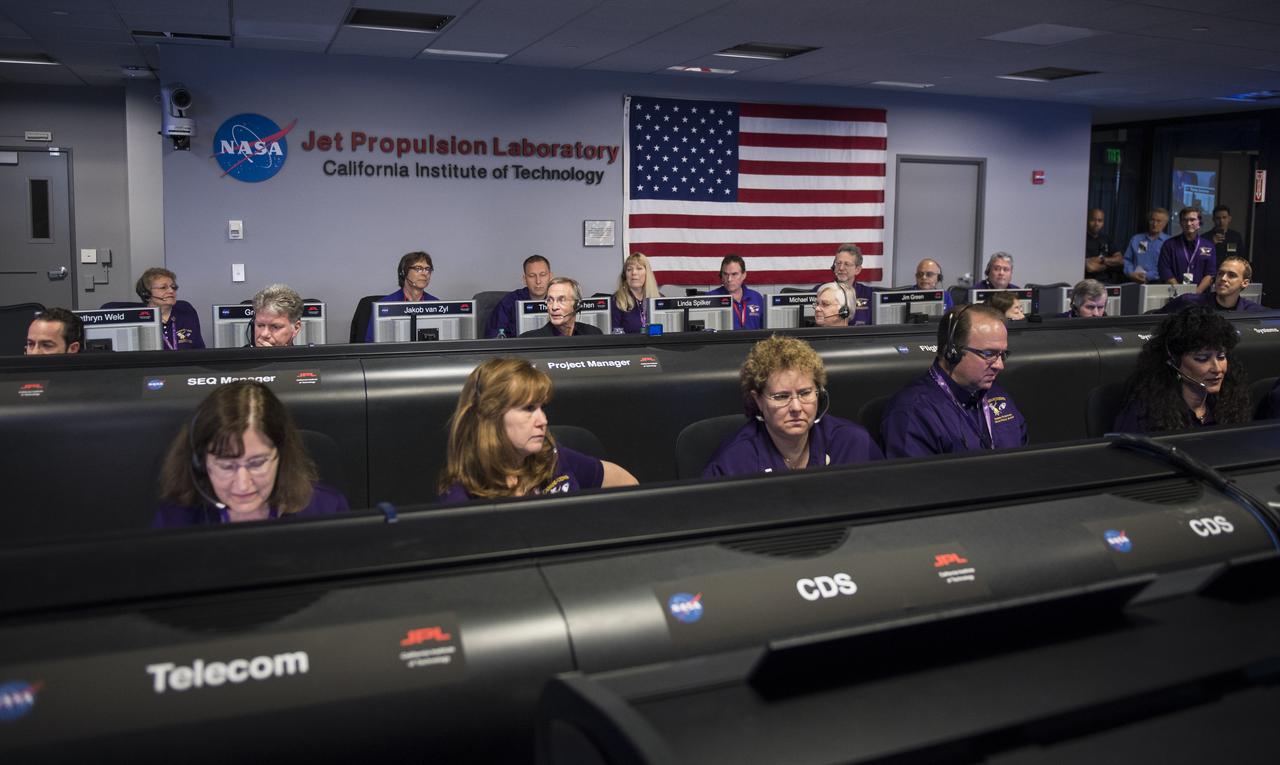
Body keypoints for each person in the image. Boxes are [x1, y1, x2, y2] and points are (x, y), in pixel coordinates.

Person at [438, 358, 637, 502]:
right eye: (528, 409)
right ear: (491, 415)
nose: (543, 420)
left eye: (541, 408)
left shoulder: (552, 456)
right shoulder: (462, 496)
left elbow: (627, 482)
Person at [153, 381, 349, 526]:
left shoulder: (327, 510)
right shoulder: (174, 519)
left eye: (256, 463)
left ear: (281, 456)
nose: (243, 485)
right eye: (226, 466)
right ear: (200, 462)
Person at [704, 335, 882, 476]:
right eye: (782, 396)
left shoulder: (852, 442)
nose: (796, 407)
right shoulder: (733, 462)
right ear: (758, 399)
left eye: (805, 393)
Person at [880, 304, 1028, 458]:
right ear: (952, 352)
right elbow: (916, 480)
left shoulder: (998, 396)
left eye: (1002, 354)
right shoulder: (912, 412)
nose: (1000, 365)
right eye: (989, 353)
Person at [1113, 308, 1251, 433]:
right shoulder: (1144, 414)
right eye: (1202, 358)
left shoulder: (1228, 404)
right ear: (1173, 361)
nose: (1217, 369)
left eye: (1221, 357)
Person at [364, 251, 439, 342]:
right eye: (418, 268)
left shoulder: (436, 304)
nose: (424, 273)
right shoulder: (384, 305)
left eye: (428, 269)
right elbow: (370, 343)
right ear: (403, 272)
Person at [1158, 256, 1263, 314]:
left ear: (1245, 283)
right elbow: (1151, 322)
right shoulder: (1188, 301)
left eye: (1231, 275)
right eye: (1220, 273)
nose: (1223, 278)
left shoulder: (1253, 312)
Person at [136, 267, 205, 349]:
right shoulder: (140, 318)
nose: (171, 291)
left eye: (173, 287)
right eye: (163, 287)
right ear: (146, 294)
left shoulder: (186, 309)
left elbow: (199, 349)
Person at [485, 255, 552, 339]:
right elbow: (494, 336)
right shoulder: (509, 302)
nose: (538, 281)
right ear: (525, 279)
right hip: (517, 350)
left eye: (543, 275)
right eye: (532, 276)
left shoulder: (561, 301)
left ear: (550, 276)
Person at [519, 277, 603, 337]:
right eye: (550, 300)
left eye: (562, 300)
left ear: (577, 304)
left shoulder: (593, 334)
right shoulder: (529, 340)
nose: (554, 307)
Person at [1157, 207, 1215, 293]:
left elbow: (1210, 273)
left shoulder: (1209, 246)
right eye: (1185, 220)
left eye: (1192, 220)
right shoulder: (1169, 245)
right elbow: (1164, 270)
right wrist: (1179, 291)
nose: (1188, 223)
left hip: (1201, 296)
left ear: (1199, 222)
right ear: (1180, 223)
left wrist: (1196, 293)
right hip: (1174, 294)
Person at [812, 244, 872, 325]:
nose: (841, 268)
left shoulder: (869, 294)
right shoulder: (820, 291)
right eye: (838, 263)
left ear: (857, 270)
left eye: (846, 264)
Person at [708, 254, 764, 330]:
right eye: (725, 274)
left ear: (744, 275)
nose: (729, 279)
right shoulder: (711, 297)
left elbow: (765, 330)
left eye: (734, 274)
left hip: (753, 342)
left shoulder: (756, 297)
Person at [611, 252, 660, 333]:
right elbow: (615, 336)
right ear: (625, 276)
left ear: (647, 273)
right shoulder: (616, 301)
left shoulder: (659, 299)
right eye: (629, 269)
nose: (634, 273)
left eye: (639, 268)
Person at [1123, 207, 1171, 284]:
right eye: (1152, 220)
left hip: (1158, 283)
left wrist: (1147, 276)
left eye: (1159, 221)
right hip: (1135, 281)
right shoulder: (1136, 239)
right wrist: (1131, 273)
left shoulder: (1169, 242)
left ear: (1165, 224)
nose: (1155, 224)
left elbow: (1169, 267)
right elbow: (1127, 259)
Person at [1084, 208, 1124, 284]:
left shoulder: (1106, 238)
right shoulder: (1082, 239)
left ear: (1103, 223)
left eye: (1100, 221)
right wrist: (1110, 265)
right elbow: (1090, 267)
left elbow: (1120, 260)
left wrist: (1102, 260)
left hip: (1108, 282)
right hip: (1089, 284)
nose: (1096, 223)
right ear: (1087, 220)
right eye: (1093, 220)